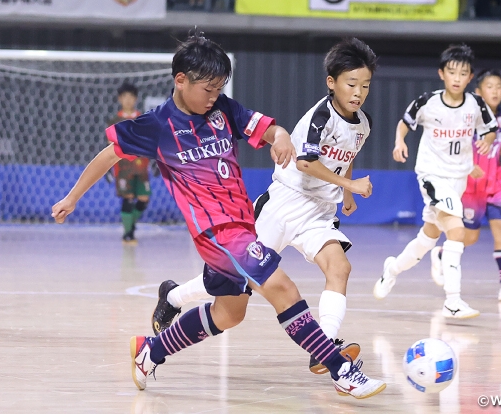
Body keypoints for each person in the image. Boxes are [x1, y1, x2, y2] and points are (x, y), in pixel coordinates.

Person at [52, 31, 386, 398]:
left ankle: (151, 350)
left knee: (229, 313)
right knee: (283, 289)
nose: (214, 96)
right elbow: (109, 154)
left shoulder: (223, 109)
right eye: (208, 89)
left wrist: (281, 137)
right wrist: (72, 197)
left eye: (219, 88)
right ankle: (341, 370)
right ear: (181, 80)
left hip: (243, 223)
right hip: (216, 233)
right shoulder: (157, 125)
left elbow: (269, 128)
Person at [152, 38, 378, 377]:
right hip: (284, 204)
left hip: (319, 212)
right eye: (352, 84)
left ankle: (325, 347)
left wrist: (347, 193)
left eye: (366, 85)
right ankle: (174, 297)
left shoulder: (363, 122)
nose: (358, 92)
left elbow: (347, 155)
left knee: (339, 268)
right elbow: (306, 163)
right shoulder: (321, 117)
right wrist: (351, 185)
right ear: (332, 82)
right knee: (234, 283)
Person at [373, 44, 498, 319]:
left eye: (463, 73)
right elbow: (405, 122)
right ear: (442, 73)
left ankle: (392, 268)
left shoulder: (476, 104)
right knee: (457, 231)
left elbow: (491, 129)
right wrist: (399, 141)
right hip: (432, 176)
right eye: (452, 72)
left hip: (459, 178)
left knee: (428, 238)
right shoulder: (427, 102)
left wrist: (487, 142)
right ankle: (453, 301)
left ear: (470, 77)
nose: (457, 78)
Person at [430, 69, 501, 303]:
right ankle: (442, 254)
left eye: (499, 87)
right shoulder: (468, 118)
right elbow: (450, 146)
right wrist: (465, 165)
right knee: (470, 237)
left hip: (496, 182)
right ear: (478, 91)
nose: (495, 91)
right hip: (471, 186)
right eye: (489, 87)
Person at [106, 84, 153, 244]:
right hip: (123, 166)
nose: (128, 100)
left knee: (143, 198)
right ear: (120, 99)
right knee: (128, 197)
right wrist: (108, 168)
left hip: (141, 165)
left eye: (131, 97)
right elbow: (110, 144)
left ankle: (130, 226)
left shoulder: (143, 119)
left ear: (136, 99)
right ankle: (128, 234)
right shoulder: (114, 121)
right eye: (124, 97)